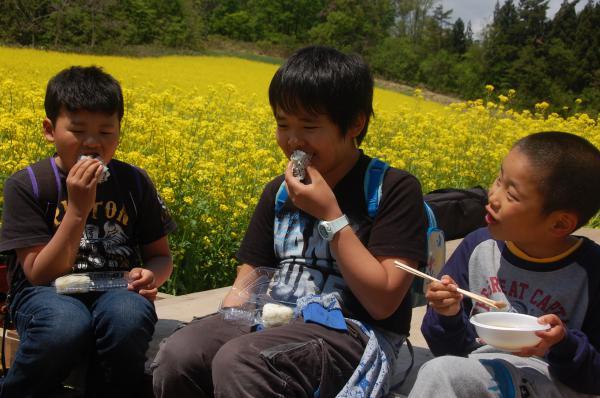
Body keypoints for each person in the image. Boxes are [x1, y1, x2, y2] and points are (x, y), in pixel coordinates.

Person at [152, 45, 427, 398]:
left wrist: (330, 215)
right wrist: (223, 324)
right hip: (271, 316)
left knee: (243, 361)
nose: (293, 140)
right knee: (180, 353)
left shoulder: (393, 189)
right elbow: (249, 277)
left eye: (309, 126)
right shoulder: (279, 193)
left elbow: (383, 301)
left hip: (352, 330)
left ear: (355, 124)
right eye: (283, 125)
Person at [0, 66, 176, 397]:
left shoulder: (135, 183)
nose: (93, 143)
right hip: (45, 294)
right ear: (49, 130)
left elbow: (160, 256)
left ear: (120, 133)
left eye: (106, 132)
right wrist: (78, 208)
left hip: (115, 290)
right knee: (66, 324)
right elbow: (38, 274)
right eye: (78, 131)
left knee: (127, 316)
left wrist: (149, 275)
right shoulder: (29, 185)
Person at [411, 131, 600, 397]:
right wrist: (447, 314)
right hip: (481, 372)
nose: (493, 197)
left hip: (550, 382)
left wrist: (563, 344)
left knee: (440, 374)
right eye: (498, 179)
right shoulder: (478, 247)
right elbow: (450, 351)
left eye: (511, 194)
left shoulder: (591, 272)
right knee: (443, 371)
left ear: (559, 223)